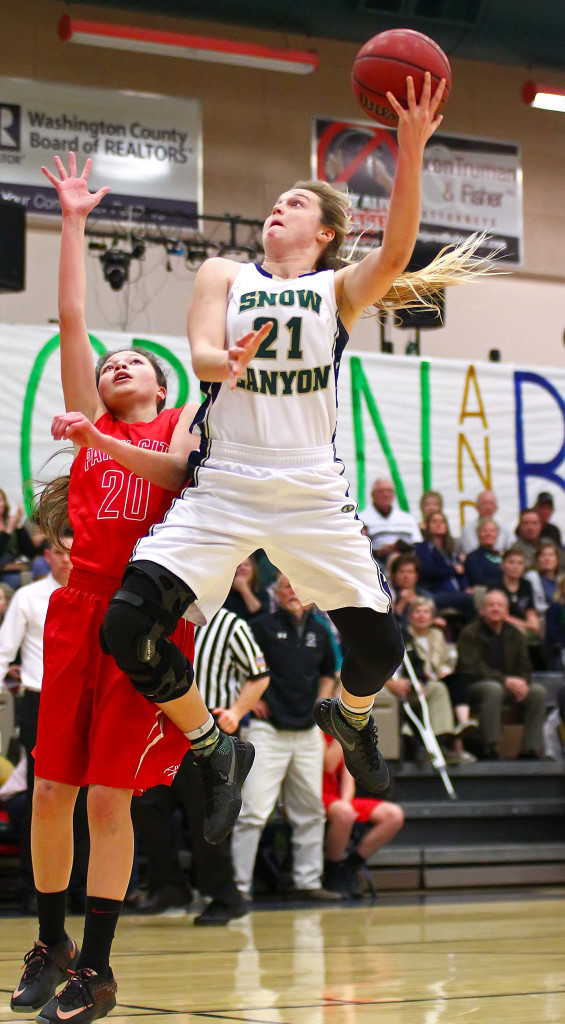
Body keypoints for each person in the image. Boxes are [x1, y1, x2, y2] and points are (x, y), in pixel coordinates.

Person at [101, 73, 483, 808]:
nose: (279, 208)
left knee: (378, 648)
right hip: (225, 484)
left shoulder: (335, 290)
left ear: (326, 235)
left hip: (309, 488)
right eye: (274, 203)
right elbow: (201, 353)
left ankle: (352, 713)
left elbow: (399, 250)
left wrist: (409, 148)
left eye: (297, 203)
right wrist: (221, 363)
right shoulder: (222, 272)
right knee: (125, 629)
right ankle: (215, 747)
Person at [8, 152, 252, 1024]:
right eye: (107, 366)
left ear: (160, 383)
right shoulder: (90, 427)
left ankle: (99, 971)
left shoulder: (182, 420)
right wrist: (72, 221)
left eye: (131, 363)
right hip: (78, 614)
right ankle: (50, 943)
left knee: (110, 798)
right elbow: (72, 318)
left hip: (145, 620)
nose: (113, 365)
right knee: (49, 791)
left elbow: (199, 435)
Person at [131, 598, 269, 925]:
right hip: (162, 734)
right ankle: (170, 886)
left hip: (209, 736)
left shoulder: (231, 624)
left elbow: (259, 674)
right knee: (146, 808)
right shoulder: (160, 619)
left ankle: (224, 896)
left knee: (206, 817)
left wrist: (236, 711)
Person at [0, 537, 87, 913]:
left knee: (88, 799)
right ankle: (39, 890)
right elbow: (1, 651)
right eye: (59, 552)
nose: (67, 559)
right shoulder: (28, 597)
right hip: (40, 702)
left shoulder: (95, 593)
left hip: (85, 703)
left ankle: (82, 889)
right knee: (44, 797)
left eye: (73, 551)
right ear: (47, 557)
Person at [231, 575, 341, 901]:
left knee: (311, 809)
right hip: (267, 730)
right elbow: (239, 667)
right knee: (252, 811)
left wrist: (320, 705)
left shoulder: (320, 630)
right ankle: (238, 887)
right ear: (276, 594)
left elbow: (328, 673)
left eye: (298, 586)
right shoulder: (260, 626)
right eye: (286, 587)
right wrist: (253, 699)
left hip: (306, 729)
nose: (293, 591)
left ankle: (308, 881)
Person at [456, 590, 546, 760]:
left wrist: (522, 683)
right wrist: (505, 680)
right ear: (482, 610)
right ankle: (491, 746)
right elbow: (472, 667)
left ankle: (531, 749)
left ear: (506, 611)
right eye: (491, 605)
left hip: (509, 686)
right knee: (493, 689)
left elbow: (525, 666)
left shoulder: (516, 634)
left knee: (537, 692)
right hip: (476, 685)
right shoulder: (470, 633)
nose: (495, 609)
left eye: (500, 606)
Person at [322, 734, 404, 898]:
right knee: (343, 812)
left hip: (336, 798)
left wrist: (346, 801)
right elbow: (328, 765)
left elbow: (348, 780)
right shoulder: (314, 730)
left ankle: (351, 866)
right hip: (313, 796)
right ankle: (333, 871)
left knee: (394, 815)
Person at [402, 597, 477, 762]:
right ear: (410, 616)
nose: (421, 616)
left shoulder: (437, 634)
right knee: (441, 689)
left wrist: (444, 669)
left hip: (436, 677)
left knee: (456, 680)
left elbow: (447, 657)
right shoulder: (404, 636)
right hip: (418, 680)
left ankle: (463, 724)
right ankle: (453, 745)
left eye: (426, 612)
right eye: (417, 612)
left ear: (432, 617)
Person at [414, 511, 475, 624]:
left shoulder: (451, 548)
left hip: (457, 592)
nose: (438, 525)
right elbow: (428, 572)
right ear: (428, 526)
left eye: (442, 522)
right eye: (434, 522)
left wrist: (466, 587)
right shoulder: (423, 548)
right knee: (470, 600)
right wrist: (453, 570)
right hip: (435, 592)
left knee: (476, 596)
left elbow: (461, 572)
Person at [360, 478, 422, 564]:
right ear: (372, 495)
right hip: (375, 564)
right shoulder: (361, 519)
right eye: (381, 491)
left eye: (389, 491)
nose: (386, 495)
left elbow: (417, 544)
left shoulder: (408, 518)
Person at [459, 490, 514, 556]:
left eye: (491, 504)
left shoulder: (505, 527)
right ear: (477, 507)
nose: (488, 508)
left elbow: (512, 548)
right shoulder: (468, 528)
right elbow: (470, 550)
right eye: (484, 504)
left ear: (496, 507)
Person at [223, 555, 269, 621]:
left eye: (247, 565)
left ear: (253, 569)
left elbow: (261, 616)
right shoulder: (225, 596)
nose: (243, 568)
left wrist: (244, 589)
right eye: (238, 566)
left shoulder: (263, 594)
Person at [525, 540, 562, 619]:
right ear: (537, 559)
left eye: (551, 555)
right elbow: (537, 605)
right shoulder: (532, 576)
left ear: (557, 559)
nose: (547, 559)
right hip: (541, 618)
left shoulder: (560, 579)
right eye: (543, 555)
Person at [463, 519, 504, 589]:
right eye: (484, 531)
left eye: (492, 531)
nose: (488, 534)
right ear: (478, 534)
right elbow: (479, 579)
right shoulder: (473, 557)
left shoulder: (502, 556)